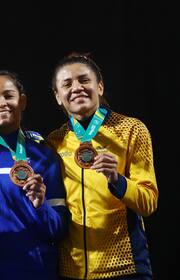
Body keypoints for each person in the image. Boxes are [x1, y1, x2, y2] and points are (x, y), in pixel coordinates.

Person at [47, 53, 158, 279]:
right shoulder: (54, 141)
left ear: (100, 86)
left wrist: (118, 181)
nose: (76, 87)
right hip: (71, 270)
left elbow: (148, 202)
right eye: (67, 84)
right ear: (58, 96)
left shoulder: (131, 130)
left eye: (84, 80)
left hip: (124, 267)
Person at [0, 70, 69, 279]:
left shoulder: (43, 156)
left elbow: (58, 230)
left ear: (23, 101)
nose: (1, 103)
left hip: (33, 271)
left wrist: (41, 205)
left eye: (8, 95)